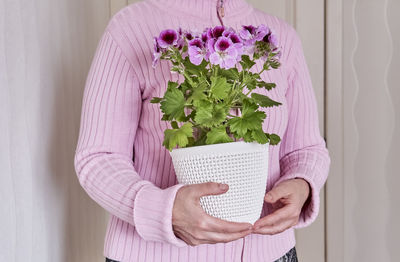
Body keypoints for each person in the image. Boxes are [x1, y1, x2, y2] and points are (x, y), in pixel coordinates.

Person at [73, 0, 331, 261]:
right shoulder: (130, 28)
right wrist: (163, 211)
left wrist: (302, 184)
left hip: (271, 253)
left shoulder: (281, 37)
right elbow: (97, 158)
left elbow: (307, 149)